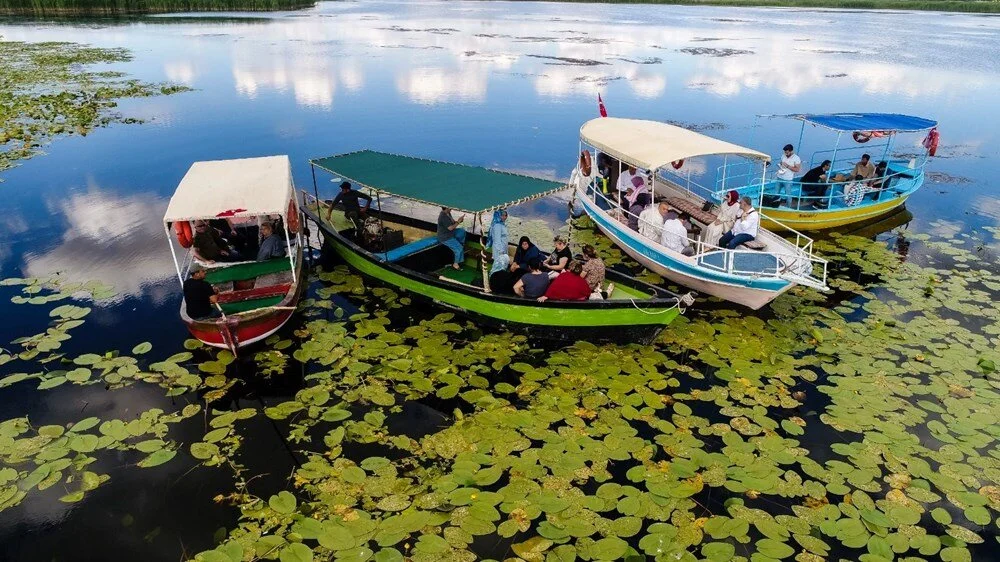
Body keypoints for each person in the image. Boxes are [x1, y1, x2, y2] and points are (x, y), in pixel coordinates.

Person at [484, 209, 509, 275]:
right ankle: (492, 277)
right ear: (498, 215)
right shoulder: (497, 226)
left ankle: (498, 278)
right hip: (499, 250)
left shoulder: (502, 224)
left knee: (501, 266)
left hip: (503, 249)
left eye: (505, 215)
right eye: (502, 215)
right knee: (497, 266)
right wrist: (501, 251)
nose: (504, 217)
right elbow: (497, 240)